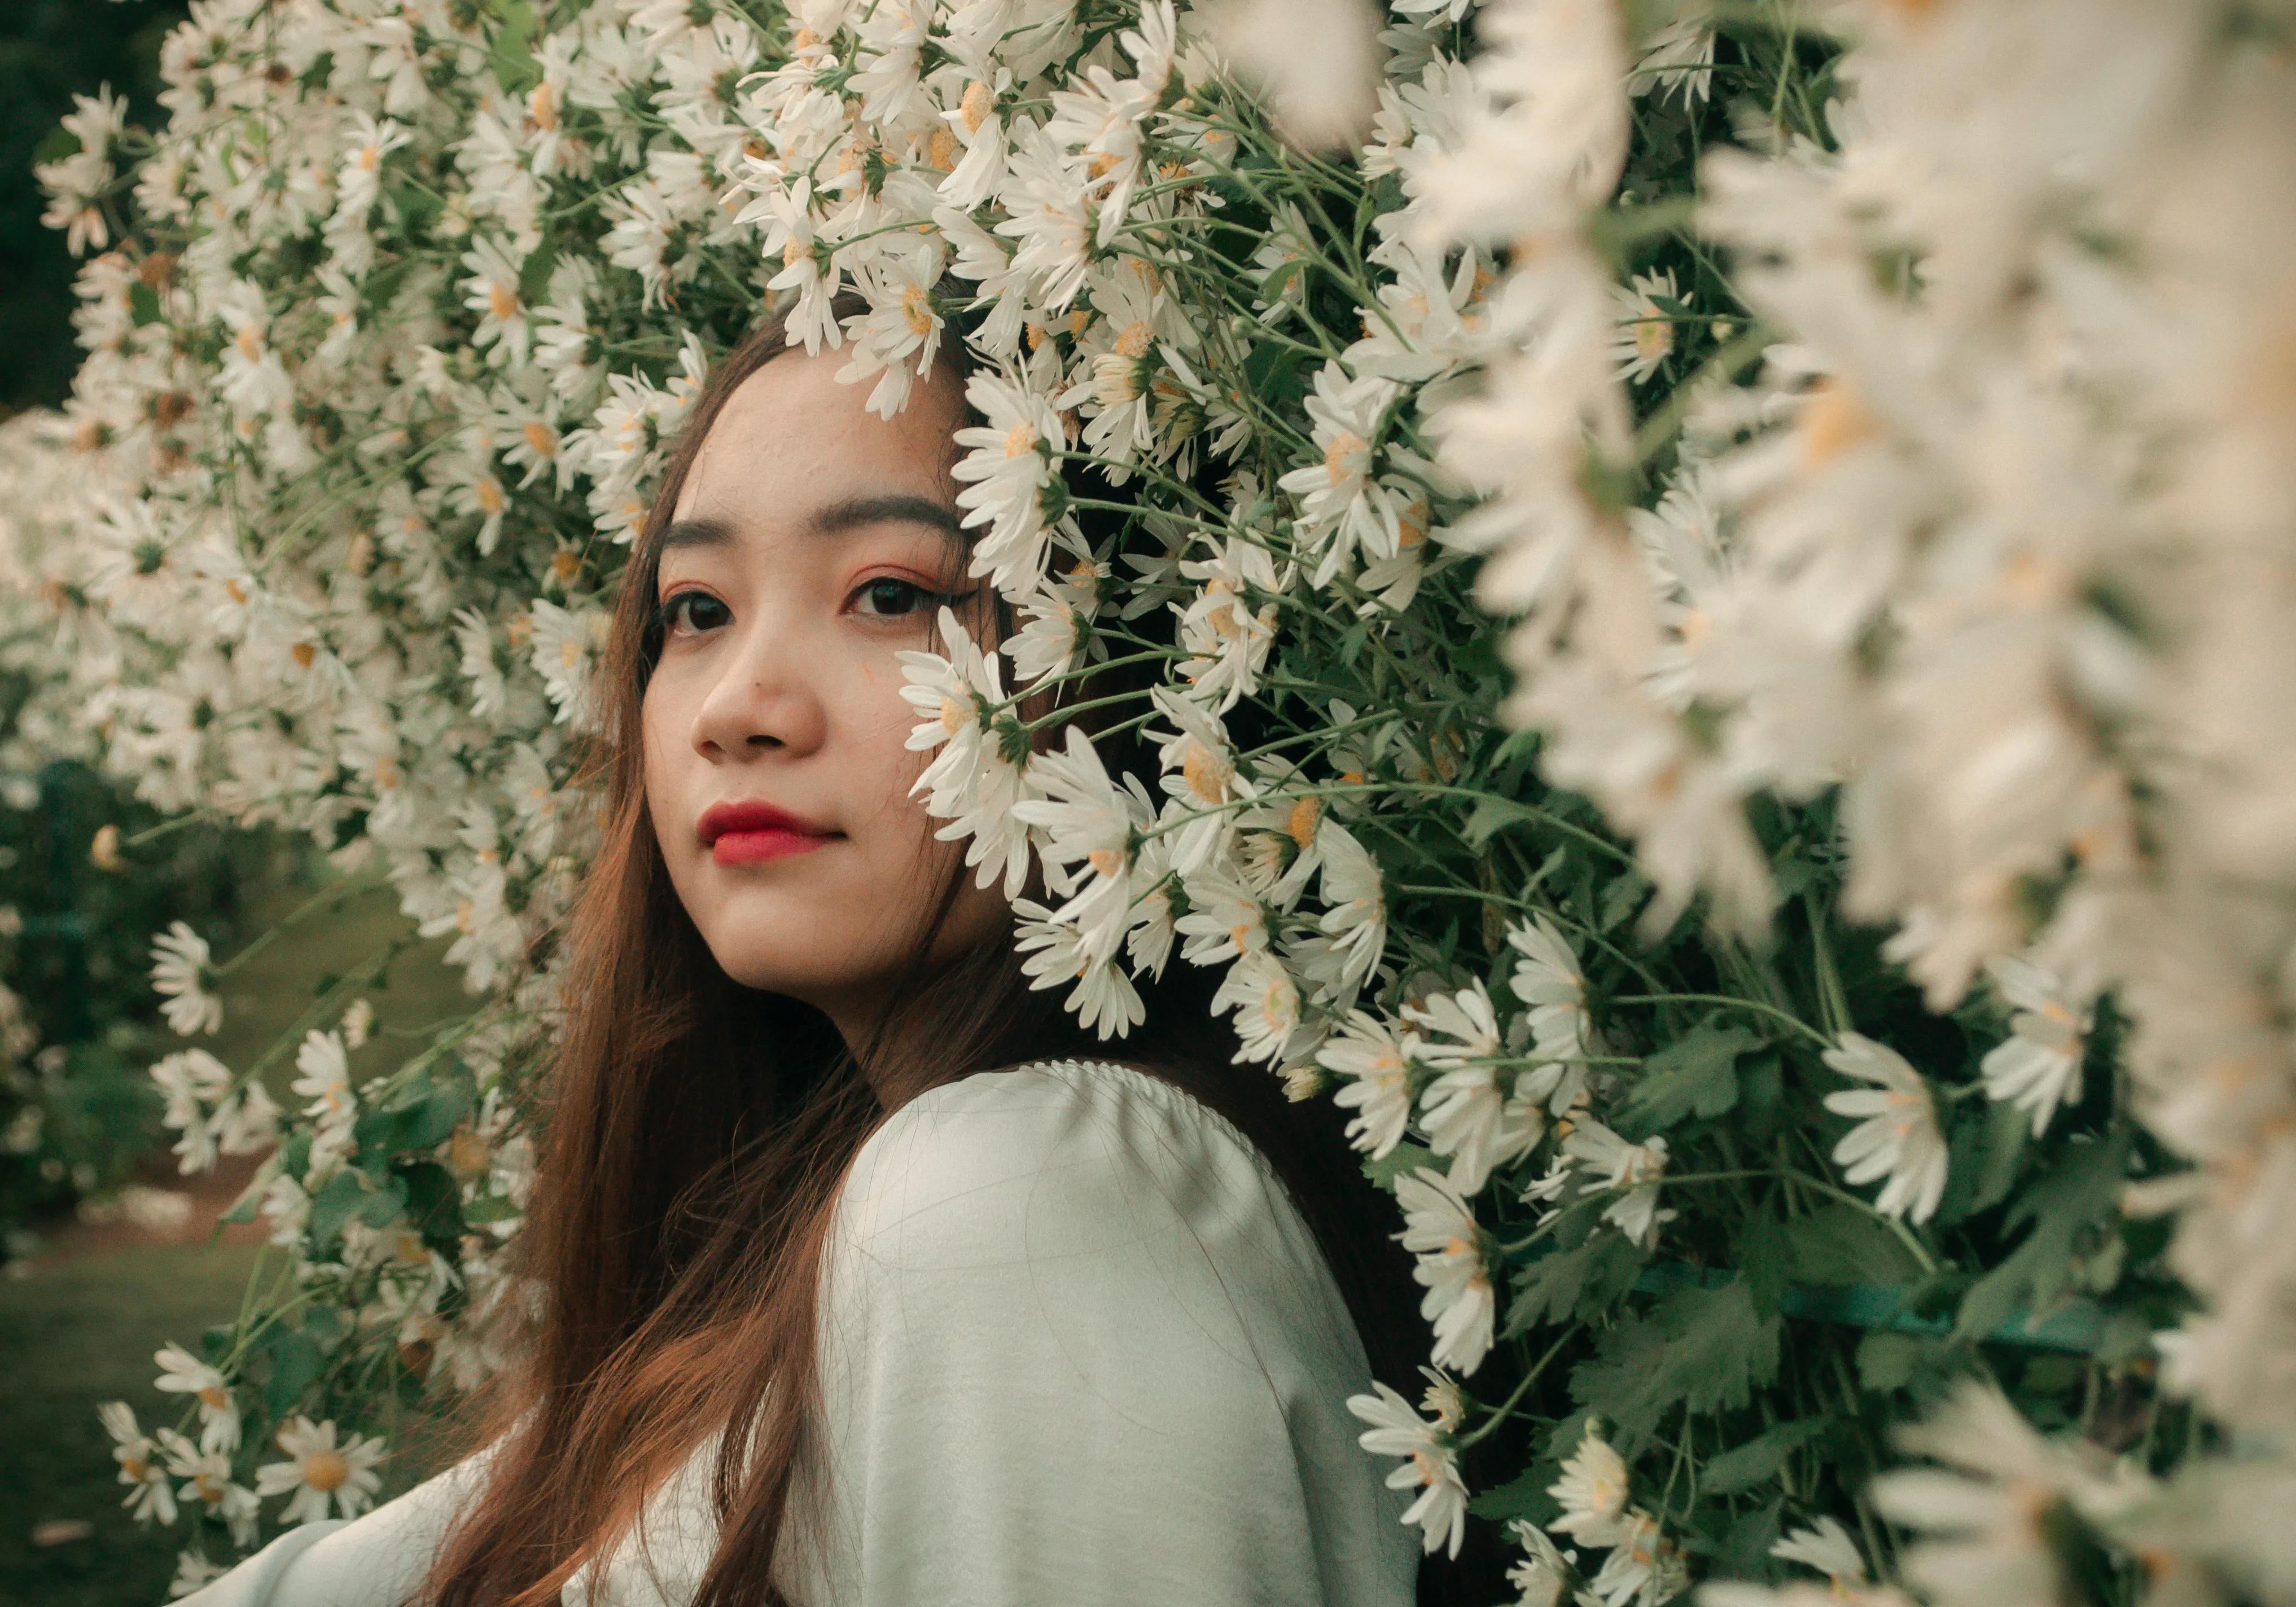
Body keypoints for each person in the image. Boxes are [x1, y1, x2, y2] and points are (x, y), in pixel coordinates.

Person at [181, 305, 1484, 1606]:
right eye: (695, 609)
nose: (741, 705)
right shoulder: (775, 1303)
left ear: (1132, 673)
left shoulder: (1023, 1201)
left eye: (889, 594)